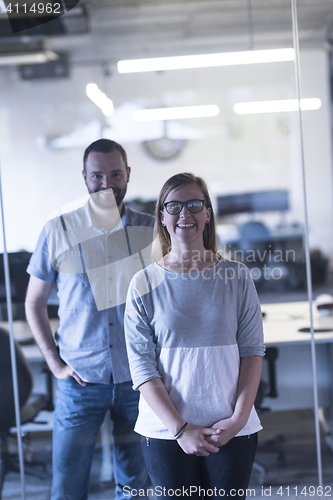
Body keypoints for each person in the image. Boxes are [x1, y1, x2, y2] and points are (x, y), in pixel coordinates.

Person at [25, 139, 153, 500]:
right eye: (97, 175)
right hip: (80, 381)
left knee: (136, 486)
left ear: (128, 174)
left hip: (139, 380)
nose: (106, 183)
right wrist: (55, 364)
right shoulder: (58, 231)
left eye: (115, 173)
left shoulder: (151, 230)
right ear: (84, 177)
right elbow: (33, 303)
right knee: (67, 487)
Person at [124, 172, 265, 499]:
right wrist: (181, 429)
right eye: (173, 206)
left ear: (208, 212)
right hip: (166, 432)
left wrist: (237, 421)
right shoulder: (143, 283)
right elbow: (143, 369)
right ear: (162, 216)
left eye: (193, 204)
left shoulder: (236, 276)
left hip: (231, 428)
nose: (184, 214)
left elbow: (252, 352)